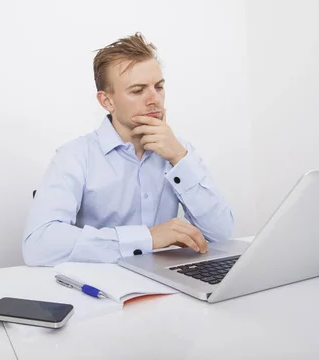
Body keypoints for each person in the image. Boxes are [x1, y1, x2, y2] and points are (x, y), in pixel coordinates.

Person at [22, 33, 234, 266]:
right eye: (138, 90)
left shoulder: (179, 151)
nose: (154, 99)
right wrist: (147, 238)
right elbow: (38, 245)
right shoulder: (73, 158)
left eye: (159, 87)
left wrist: (179, 159)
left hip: (168, 287)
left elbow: (222, 237)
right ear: (106, 101)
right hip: (99, 290)